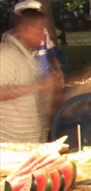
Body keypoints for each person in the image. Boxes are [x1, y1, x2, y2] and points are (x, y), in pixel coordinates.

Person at [0, 9, 63, 143]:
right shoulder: (7, 55)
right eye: (40, 29)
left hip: (30, 143)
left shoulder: (29, 57)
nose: (44, 34)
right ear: (25, 29)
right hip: (11, 146)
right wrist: (39, 85)